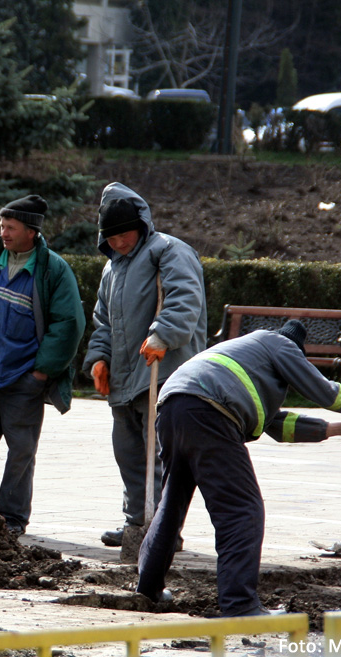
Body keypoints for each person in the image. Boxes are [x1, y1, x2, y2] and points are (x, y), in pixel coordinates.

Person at [136, 320, 341, 616]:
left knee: (172, 503)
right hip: (210, 411)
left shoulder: (245, 363)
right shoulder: (277, 342)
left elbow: (278, 425)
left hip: (174, 408)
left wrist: (339, 429)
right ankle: (240, 606)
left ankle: (148, 589)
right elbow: (320, 388)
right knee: (242, 509)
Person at [0, 195, 85, 535]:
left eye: (11, 227)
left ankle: (11, 520)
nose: (4, 233)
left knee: (20, 453)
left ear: (31, 231)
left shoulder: (53, 269)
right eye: (1, 226)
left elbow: (68, 324)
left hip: (22, 380)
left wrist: (40, 372)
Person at [81, 182, 207, 548]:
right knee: (129, 454)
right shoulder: (112, 268)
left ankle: (164, 529)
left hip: (163, 372)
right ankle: (137, 521)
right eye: (111, 236)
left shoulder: (168, 250)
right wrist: (99, 359)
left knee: (161, 456)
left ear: (141, 224)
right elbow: (103, 321)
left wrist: (162, 335)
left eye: (124, 233)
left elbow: (185, 298)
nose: (119, 242)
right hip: (125, 378)